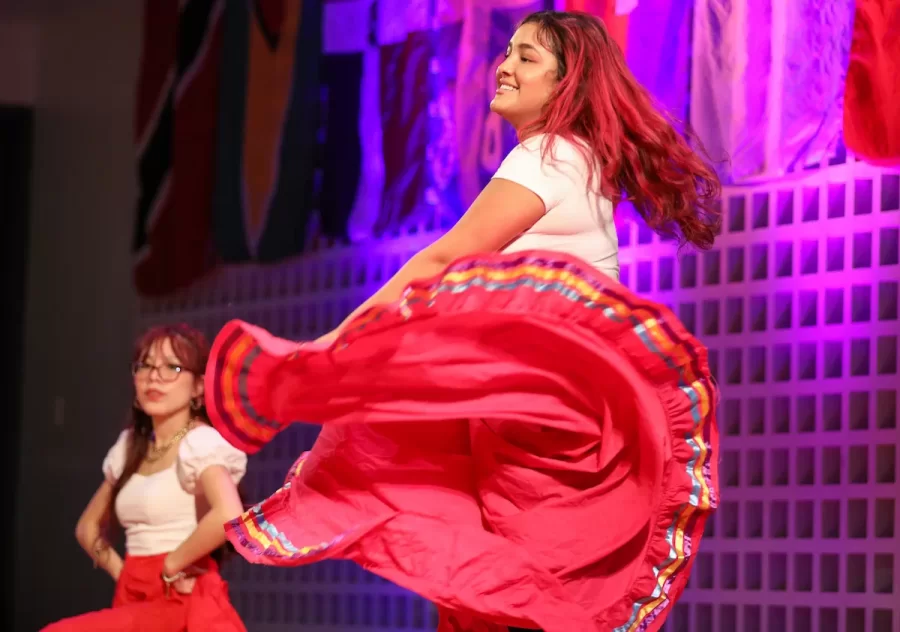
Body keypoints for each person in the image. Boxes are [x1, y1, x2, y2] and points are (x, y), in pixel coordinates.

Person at [205, 10, 720, 632]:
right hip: (569, 419)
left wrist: (335, 345)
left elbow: (446, 258)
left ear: (567, 84)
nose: (502, 66)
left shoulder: (545, 156)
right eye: (506, 51)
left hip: (540, 422)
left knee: (493, 572)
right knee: (514, 582)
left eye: (527, 57)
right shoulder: (583, 162)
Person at [43, 324, 248, 632]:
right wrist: (120, 570)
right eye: (145, 366)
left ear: (198, 387)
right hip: (133, 593)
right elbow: (87, 527)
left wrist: (172, 563)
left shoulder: (200, 443)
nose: (154, 377)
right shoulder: (129, 447)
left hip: (181, 595)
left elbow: (229, 512)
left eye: (172, 367)